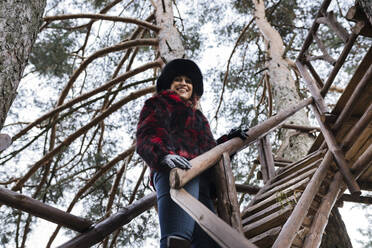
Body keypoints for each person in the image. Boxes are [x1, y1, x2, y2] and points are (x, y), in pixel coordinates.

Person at [136, 59, 246, 248]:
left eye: (188, 81)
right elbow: (148, 133)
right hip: (175, 172)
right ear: (169, 84)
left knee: (210, 243)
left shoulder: (199, 118)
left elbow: (209, 150)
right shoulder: (159, 103)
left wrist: (228, 142)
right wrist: (163, 155)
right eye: (178, 79)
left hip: (202, 182)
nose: (183, 84)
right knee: (177, 240)